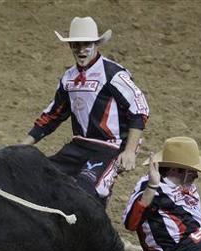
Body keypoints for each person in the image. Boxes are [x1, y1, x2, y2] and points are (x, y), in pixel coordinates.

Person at [21, 16, 149, 205]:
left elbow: (139, 108)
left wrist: (129, 151)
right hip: (79, 145)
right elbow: (53, 114)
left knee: (86, 190)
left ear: (96, 44)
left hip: (110, 147)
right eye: (76, 45)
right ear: (71, 46)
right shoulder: (68, 78)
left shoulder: (113, 73)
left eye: (86, 44)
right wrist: (22, 146)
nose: (81, 49)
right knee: (40, 178)